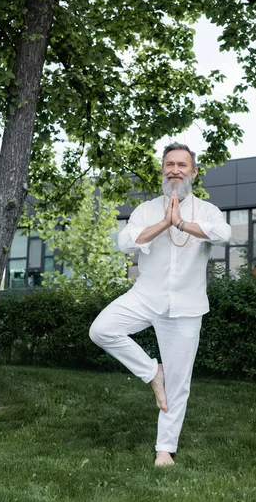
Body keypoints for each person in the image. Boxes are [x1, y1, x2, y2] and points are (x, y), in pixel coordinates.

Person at [89, 142, 231, 466]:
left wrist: (181, 223)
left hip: (187, 306)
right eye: (170, 164)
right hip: (146, 296)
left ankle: (164, 450)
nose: (175, 170)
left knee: (179, 384)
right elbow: (125, 243)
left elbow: (223, 234)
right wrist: (165, 223)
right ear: (163, 170)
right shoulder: (146, 210)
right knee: (101, 330)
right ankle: (153, 372)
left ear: (193, 172)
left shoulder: (206, 210)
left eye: (182, 165)